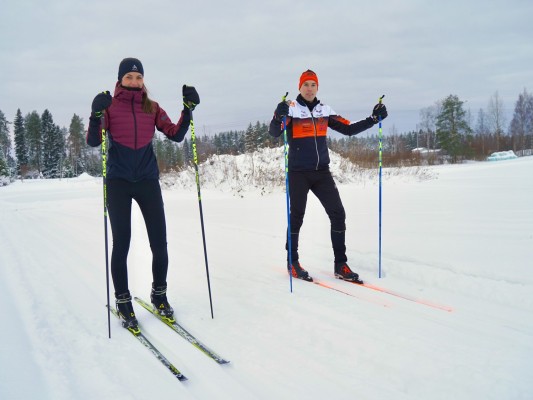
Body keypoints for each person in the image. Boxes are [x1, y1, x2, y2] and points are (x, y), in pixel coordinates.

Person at [86, 57, 200, 329]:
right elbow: (93, 141)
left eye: (138, 78)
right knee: (122, 243)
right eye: (129, 77)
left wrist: (188, 110)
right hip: (118, 182)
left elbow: (175, 134)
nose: (135, 82)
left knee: (159, 243)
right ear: (120, 80)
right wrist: (95, 114)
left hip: (147, 181)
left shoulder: (153, 107)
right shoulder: (110, 107)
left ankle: (159, 295)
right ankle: (123, 300)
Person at [269, 69, 387, 283]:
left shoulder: (325, 110)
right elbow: (274, 132)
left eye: (313, 84)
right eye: (306, 84)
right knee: (296, 216)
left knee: (338, 213)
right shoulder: (291, 109)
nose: (309, 88)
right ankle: (292, 262)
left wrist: (373, 119)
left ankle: (340, 264)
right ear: (299, 87)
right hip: (298, 173)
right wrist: (278, 115)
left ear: (317, 87)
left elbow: (349, 129)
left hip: (321, 172)